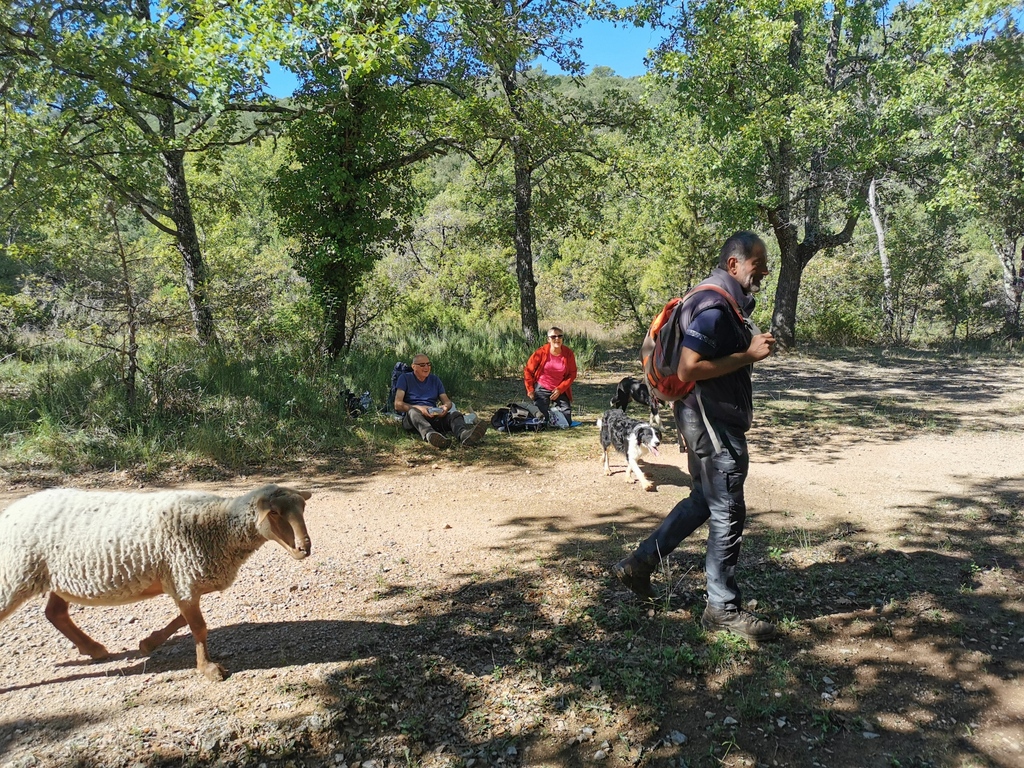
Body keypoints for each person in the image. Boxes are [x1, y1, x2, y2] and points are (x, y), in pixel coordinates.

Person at [612, 231, 778, 641]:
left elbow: (664, 354)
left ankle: (640, 564)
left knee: (704, 499)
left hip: (697, 418)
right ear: (734, 264)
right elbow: (688, 368)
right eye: (758, 265)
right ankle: (721, 608)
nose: (764, 273)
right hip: (712, 423)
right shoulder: (714, 306)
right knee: (727, 509)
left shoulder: (706, 298)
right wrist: (749, 354)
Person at [394, 354, 489, 449]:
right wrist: (420, 408)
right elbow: (397, 404)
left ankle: (464, 435)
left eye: (428, 364)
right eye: (422, 365)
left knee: (455, 414)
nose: (426, 367)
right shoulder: (405, 378)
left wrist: (445, 408)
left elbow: (447, 401)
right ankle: (430, 435)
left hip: (433, 416)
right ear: (414, 366)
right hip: (413, 419)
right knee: (413, 412)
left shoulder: (435, 380)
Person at [523, 327, 577, 426]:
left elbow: (572, 374)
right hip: (542, 388)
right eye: (553, 337)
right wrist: (530, 389)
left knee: (566, 422)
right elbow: (528, 371)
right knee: (541, 421)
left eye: (559, 336)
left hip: (559, 389)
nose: (557, 339)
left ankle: (553, 414)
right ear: (548, 339)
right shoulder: (541, 352)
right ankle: (547, 414)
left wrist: (560, 389)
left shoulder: (568, 353)